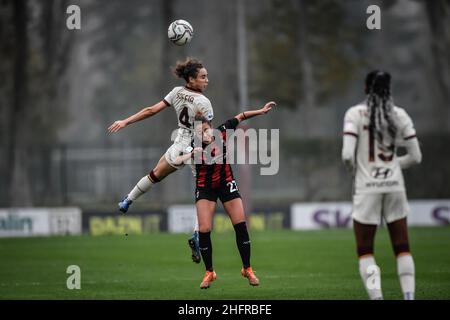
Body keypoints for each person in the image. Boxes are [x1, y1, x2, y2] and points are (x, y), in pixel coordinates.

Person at [108, 58, 214, 264]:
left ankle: (128, 200)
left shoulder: (176, 92)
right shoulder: (204, 102)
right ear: (191, 79)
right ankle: (196, 234)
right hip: (195, 149)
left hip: (178, 144)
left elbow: (151, 110)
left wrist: (125, 121)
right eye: (203, 77)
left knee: (155, 174)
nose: (206, 80)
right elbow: (207, 130)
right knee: (205, 193)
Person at [175, 101, 276, 289]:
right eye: (199, 132)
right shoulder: (192, 145)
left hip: (226, 183)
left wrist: (261, 111)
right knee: (204, 229)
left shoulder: (222, 131)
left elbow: (241, 116)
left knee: (240, 225)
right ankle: (209, 272)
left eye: (205, 130)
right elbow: (177, 159)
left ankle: (247, 268)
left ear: (211, 127)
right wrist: (189, 155)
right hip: (205, 188)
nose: (203, 134)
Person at [341, 70, 422, 300]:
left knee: (366, 251)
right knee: (402, 247)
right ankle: (408, 296)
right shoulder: (400, 115)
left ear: (366, 88)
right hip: (395, 185)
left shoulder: (355, 114)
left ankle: (377, 297)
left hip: (367, 187)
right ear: (389, 89)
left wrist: (356, 172)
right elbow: (416, 157)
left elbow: (347, 155)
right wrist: (395, 165)